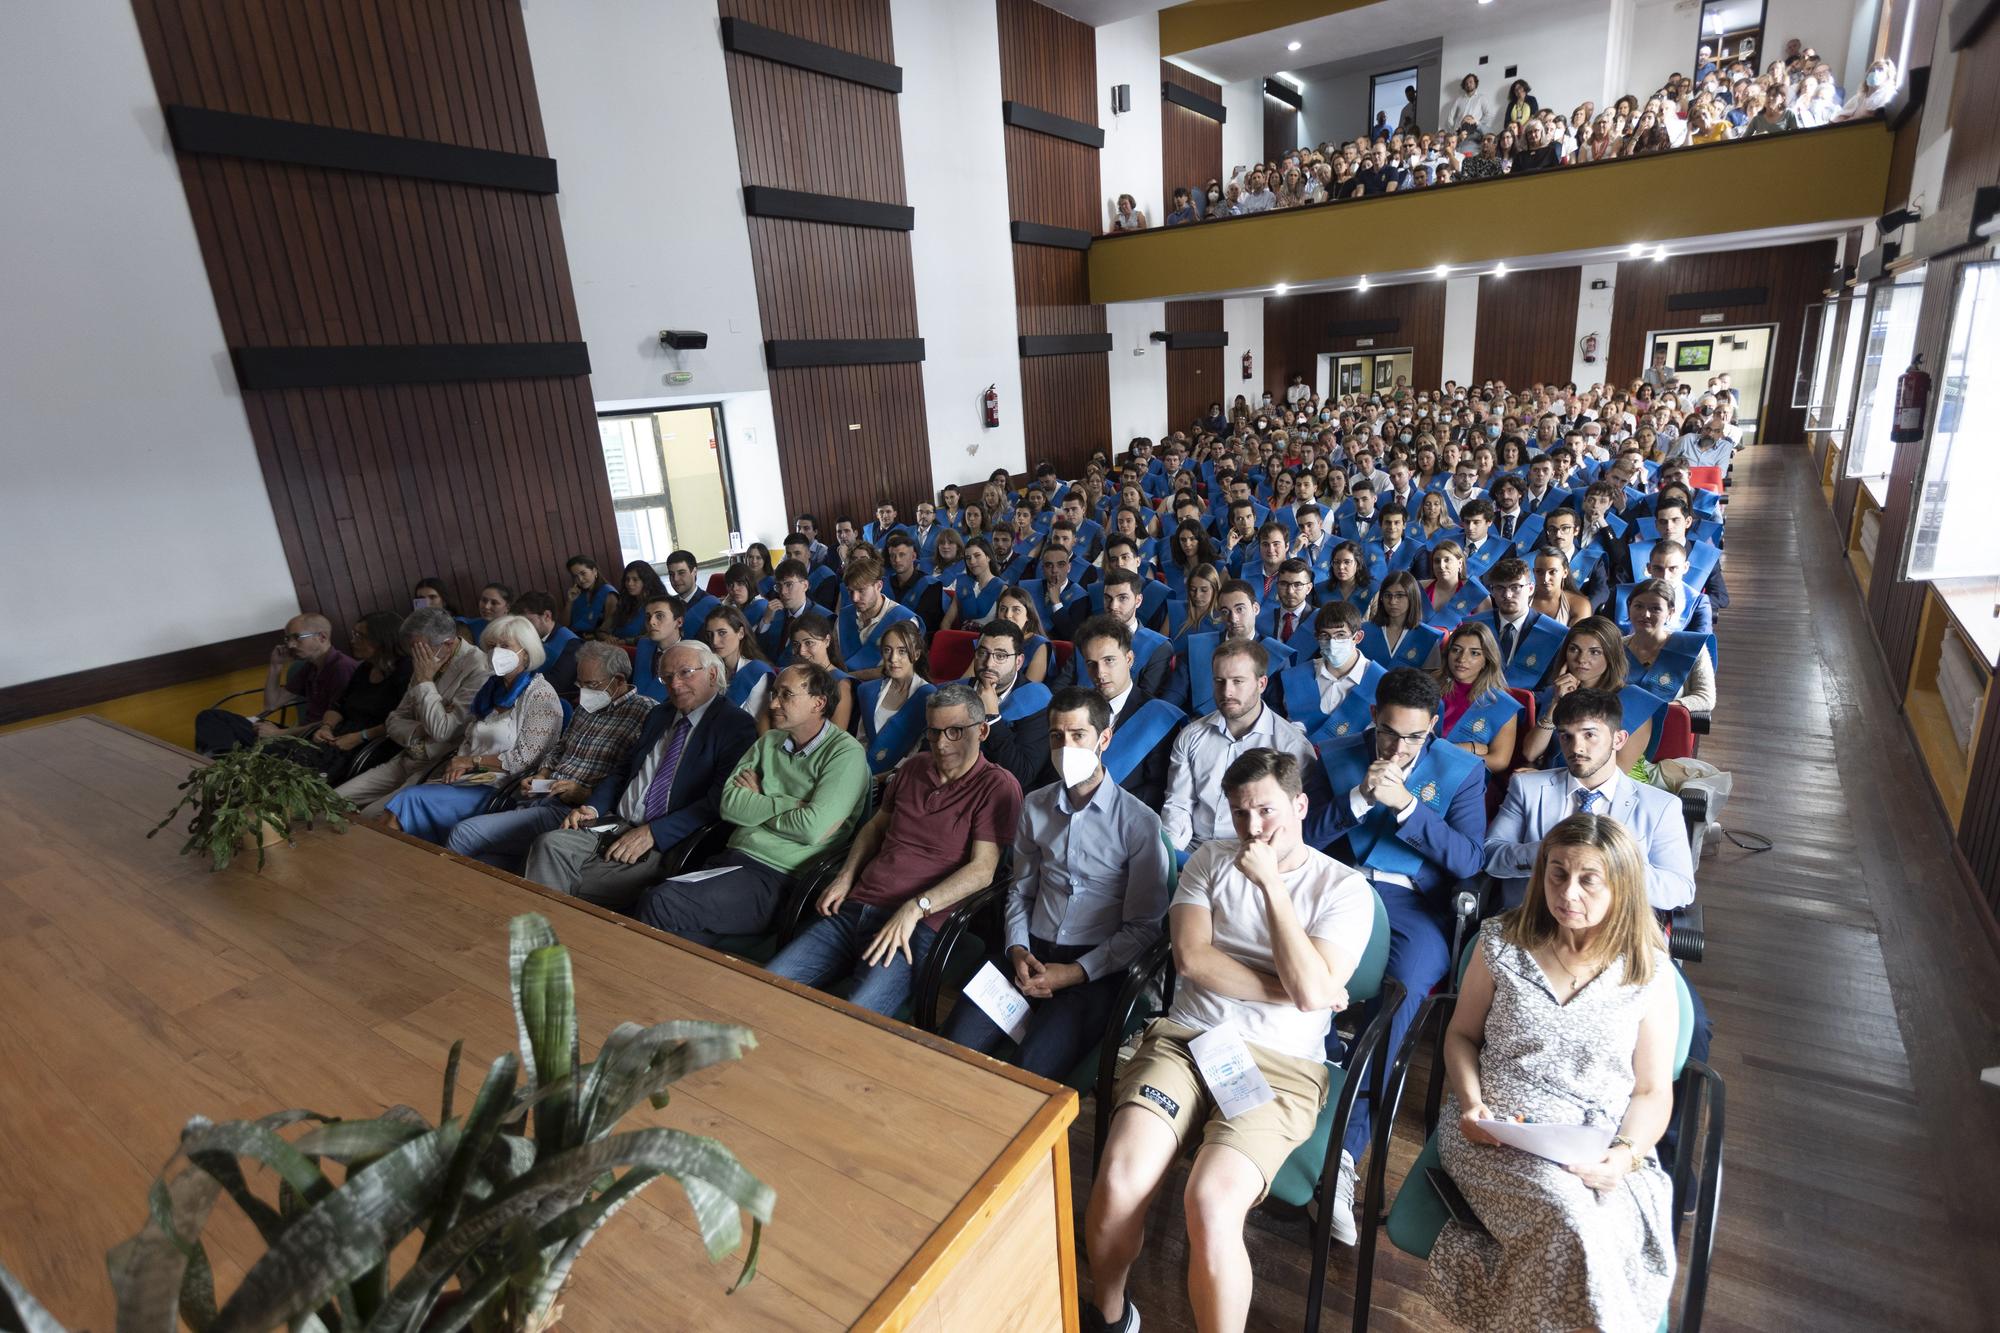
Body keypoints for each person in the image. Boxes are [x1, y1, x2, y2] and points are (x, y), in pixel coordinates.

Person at [1083, 749, 1374, 1333]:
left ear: (1300, 805)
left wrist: (1272, 889)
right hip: (1188, 1043)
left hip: (1282, 1067)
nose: (1254, 828)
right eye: (1240, 814)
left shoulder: (1344, 888)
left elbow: (1316, 991)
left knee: (1211, 1204)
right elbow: (1192, 960)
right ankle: (1112, 1314)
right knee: (1119, 1176)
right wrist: (1298, 988)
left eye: (1267, 811)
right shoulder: (1208, 861)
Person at [1432, 816, 1679, 1333]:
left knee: (1597, 1231)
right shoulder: (1501, 941)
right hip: (1496, 1131)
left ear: (1621, 885)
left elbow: (1654, 1090)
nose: (1568, 892)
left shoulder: (1647, 969)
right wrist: (1471, 1104)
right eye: (1556, 873)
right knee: (1575, 1226)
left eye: (1589, 879)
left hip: (1594, 1140)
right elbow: (1460, 1036)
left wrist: (1626, 1156)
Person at [1306, 668, 1487, 1242]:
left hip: (1409, 904)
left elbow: (1467, 860)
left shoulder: (1463, 770)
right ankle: (1299, 1093)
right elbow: (1302, 835)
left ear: (1433, 728)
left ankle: (1345, 1152)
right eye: (1387, 733)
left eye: (1412, 737)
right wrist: (1359, 798)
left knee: (1402, 992)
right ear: (1373, 718)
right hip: (1333, 888)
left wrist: (1408, 807)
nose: (1398, 747)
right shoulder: (1334, 752)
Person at [943, 685, 1170, 1075]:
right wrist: (1016, 948)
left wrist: (1075, 972)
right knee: (952, 1046)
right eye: (1056, 736)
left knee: (1030, 1070)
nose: (1065, 747)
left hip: (1092, 968)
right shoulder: (1036, 805)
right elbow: (1020, 889)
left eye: (1078, 735)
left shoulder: (1139, 823)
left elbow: (1142, 929)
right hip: (1030, 953)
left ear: (1104, 738)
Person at [766, 683, 1022, 1015]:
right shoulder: (914, 767)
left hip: (915, 927)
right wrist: (846, 877)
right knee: (770, 982)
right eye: (934, 732)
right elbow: (874, 828)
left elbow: (983, 870)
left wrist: (917, 907)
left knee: (857, 1014)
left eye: (956, 731)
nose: (942, 743)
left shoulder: (997, 785)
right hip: (855, 909)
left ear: (982, 730)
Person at [444, 641, 657, 872]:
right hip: (543, 796)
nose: (584, 692)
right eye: (580, 684)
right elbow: (560, 747)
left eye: (591, 684)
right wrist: (541, 775)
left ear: (618, 681)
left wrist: (583, 793)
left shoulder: (646, 713)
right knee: (487, 863)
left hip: (577, 813)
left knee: (463, 834)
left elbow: (632, 777)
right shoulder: (587, 707)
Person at [1485, 688, 1695, 912]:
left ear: (1619, 739)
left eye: (1589, 735)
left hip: (1616, 930)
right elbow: (1491, 855)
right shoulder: (1528, 787)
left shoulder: (1660, 806)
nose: (1576, 748)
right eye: (1567, 736)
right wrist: (1549, 852)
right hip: (1534, 919)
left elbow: (1680, 890)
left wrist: (1609, 863)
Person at [382, 615, 565, 843]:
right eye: (491, 646)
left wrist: (470, 762)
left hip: (504, 789)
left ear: (526, 653)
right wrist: (461, 762)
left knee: (405, 802)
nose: (496, 652)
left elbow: (525, 759)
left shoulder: (540, 695)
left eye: (505, 646)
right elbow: (470, 738)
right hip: (470, 781)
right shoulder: (490, 689)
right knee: (399, 806)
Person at [334, 608, 494, 814]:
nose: (414, 656)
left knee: (370, 816)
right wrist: (421, 729)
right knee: (330, 800)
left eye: (419, 648)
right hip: (406, 756)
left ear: (448, 643)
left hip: (437, 764)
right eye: (412, 649)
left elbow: (442, 731)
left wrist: (425, 681)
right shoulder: (426, 658)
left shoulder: (479, 669)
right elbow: (394, 720)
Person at [1162, 640, 1316, 852]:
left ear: (1261, 684)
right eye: (1219, 681)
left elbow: (1293, 823)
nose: (1227, 692)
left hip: (1258, 852)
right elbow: (1178, 805)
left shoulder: (1293, 747)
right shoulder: (1191, 735)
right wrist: (1172, 858)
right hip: (1194, 850)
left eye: (1238, 681)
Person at [194, 613, 357, 756]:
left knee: (243, 744)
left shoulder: (341, 668)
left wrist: (279, 733)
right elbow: (272, 704)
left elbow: (338, 723)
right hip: (294, 734)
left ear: (321, 637)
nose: (291, 645)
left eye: (297, 638)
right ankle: (223, 760)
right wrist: (276, 666)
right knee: (210, 716)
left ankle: (227, 764)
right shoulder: (310, 666)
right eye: (287, 639)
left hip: (314, 741)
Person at [277, 611, 412, 779]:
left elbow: (403, 720)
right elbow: (338, 705)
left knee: (305, 776)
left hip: (375, 742)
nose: (352, 641)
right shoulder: (365, 668)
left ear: (381, 639)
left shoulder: (406, 671)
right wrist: (326, 727)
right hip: (342, 735)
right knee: (282, 763)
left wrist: (359, 737)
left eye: (360, 636)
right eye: (354, 634)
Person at [1435, 621, 1523, 773]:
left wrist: (1455, 750)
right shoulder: (1430, 686)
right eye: (1456, 650)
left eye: (1474, 653)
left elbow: (1499, 762)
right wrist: (1473, 748)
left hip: (1464, 776)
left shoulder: (1503, 705)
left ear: (1486, 660)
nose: (1462, 659)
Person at [857, 618, 935, 779]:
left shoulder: (929, 696)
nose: (893, 659)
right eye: (887, 650)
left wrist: (886, 777)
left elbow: (922, 750)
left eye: (902, 651)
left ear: (916, 654)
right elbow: (862, 740)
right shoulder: (868, 691)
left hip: (903, 777)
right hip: (862, 772)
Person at [1625, 577, 1717, 713]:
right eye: (1638, 606)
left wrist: (1665, 709)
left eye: (1655, 608)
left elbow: (1705, 697)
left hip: (1669, 724)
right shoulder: (1615, 647)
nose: (1645, 614)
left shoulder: (1690, 647)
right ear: (1629, 607)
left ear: (1670, 612)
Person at [1475, 557, 1566, 690]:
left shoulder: (1555, 635)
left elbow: (1550, 688)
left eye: (1515, 587)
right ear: (1492, 592)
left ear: (1530, 589)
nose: (1507, 595)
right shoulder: (1475, 626)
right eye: (1500, 588)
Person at [837, 553, 920, 677]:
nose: (854, 598)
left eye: (861, 590)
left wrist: (851, 678)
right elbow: (837, 657)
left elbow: (906, 669)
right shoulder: (843, 616)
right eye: (850, 591)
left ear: (879, 586)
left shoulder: (905, 619)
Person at [781, 611, 856, 732]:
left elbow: (837, 734)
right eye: (796, 644)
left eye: (809, 643)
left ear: (827, 641)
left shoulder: (841, 684)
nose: (801, 651)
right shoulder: (790, 674)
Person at [510, 590, 582, 703]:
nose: (523, 628)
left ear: (547, 616)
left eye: (528, 622)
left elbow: (558, 684)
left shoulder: (571, 644)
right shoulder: (527, 638)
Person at [702, 605, 775, 716]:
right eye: (710, 635)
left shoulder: (756, 672)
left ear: (741, 633)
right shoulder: (708, 669)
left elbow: (750, 721)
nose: (715, 641)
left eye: (722, 633)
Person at [630, 594, 686, 702]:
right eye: (648, 617)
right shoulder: (643, 645)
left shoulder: (691, 655)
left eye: (659, 616)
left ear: (679, 622)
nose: (651, 622)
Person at [604, 561, 667, 642]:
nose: (629, 583)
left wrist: (627, 641)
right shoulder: (624, 603)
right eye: (627, 579)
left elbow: (657, 634)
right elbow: (603, 630)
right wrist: (608, 638)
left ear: (646, 581)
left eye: (635, 579)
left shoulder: (661, 604)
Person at [566, 556, 616, 635]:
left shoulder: (608, 593)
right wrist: (569, 602)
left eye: (583, 573)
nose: (580, 579)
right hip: (575, 637)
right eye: (575, 576)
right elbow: (564, 624)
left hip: (596, 641)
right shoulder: (577, 593)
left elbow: (608, 630)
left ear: (594, 571)